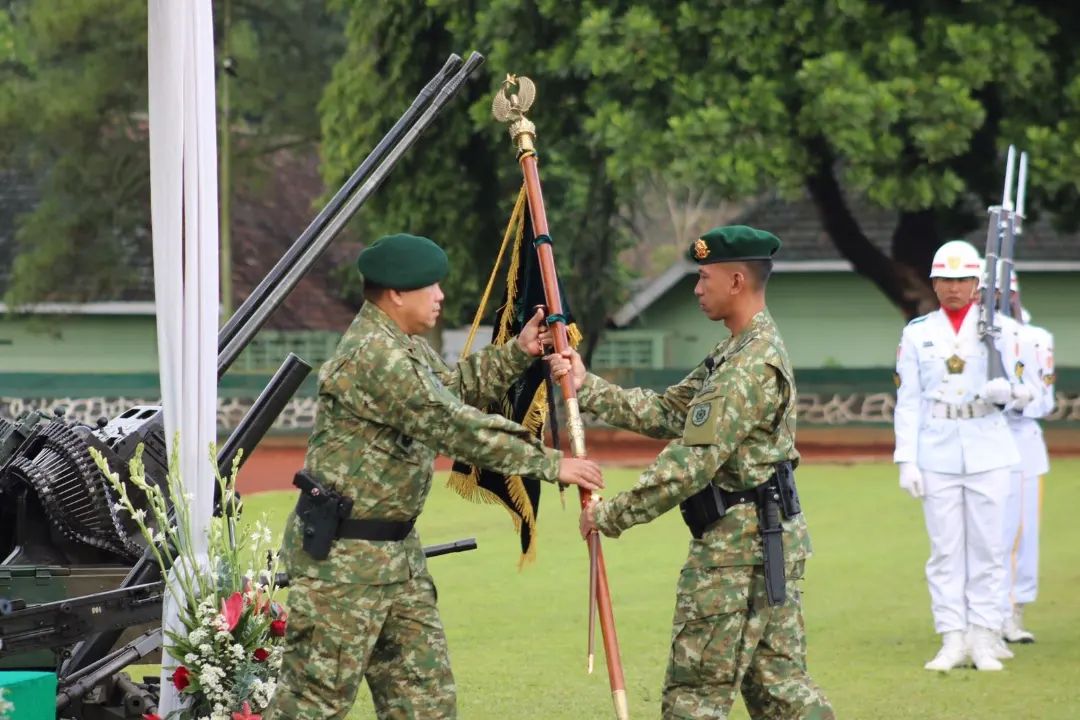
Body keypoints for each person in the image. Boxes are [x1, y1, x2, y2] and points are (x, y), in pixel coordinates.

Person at [265, 233, 604, 720]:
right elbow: (448, 422)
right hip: (343, 567)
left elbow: (452, 390)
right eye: (431, 287)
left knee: (425, 704)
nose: (441, 296)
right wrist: (550, 462)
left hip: (397, 560)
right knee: (312, 706)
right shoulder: (372, 356)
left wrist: (518, 351)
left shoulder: (403, 347)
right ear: (397, 294)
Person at [556, 225, 834, 719]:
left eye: (704, 277)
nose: (696, 288)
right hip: (759, 544)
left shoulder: (748, 366)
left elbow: (690, 463)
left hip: (737, 555)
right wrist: (585, 384)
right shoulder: (735, 351)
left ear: (736, 281)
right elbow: (667, 412)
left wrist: (610, 514)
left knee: (695, 697)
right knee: (783, 693)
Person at [893, 240, 1032, 672]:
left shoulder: (1001, 330)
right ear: (934, 284)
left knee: (990, 548)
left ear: (976, 284)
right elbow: (908, 401)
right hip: (937, 448)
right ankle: (952, 637)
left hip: (989, 445)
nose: (953, 287)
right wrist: (907, 460)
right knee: (945, 550)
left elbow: (1030, 392)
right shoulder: (918, 332)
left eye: (962, 279)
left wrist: (1009, 393)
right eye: (945, 279)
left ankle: (985, 637)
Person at [996, 272, 1055, 644]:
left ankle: (1013, 612)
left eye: (1005, 293)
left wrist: (1020, 397)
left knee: (1020, 533)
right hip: (978, 441)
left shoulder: (1036, 339)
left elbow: (1046, 401)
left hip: (1021, 442)